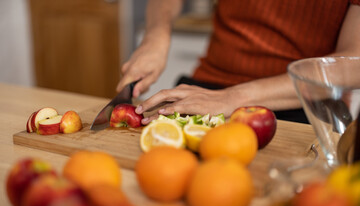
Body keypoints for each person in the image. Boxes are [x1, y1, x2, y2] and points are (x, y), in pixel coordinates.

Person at [116, 0, 360, 125]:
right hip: (207, 85)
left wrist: (233, 97)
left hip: (305, 103)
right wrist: (156, 34)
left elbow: (353, 64)